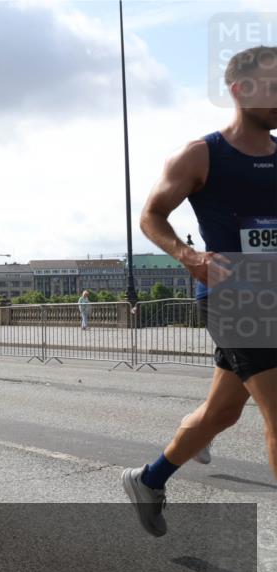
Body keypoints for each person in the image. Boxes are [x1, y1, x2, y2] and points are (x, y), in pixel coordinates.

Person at [122, 46, 277, 537]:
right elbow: (151, 215)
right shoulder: (202, 153)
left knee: (222, 413)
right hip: (234, 299)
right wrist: (190, 257)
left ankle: (149, 479)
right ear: (240, 90)